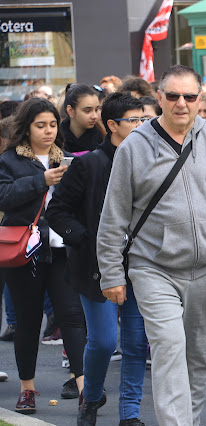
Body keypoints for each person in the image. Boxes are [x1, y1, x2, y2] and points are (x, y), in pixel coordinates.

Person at [96, 65, 206, 425]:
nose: (181, 103)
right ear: (159, 98)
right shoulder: (134, 147)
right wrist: (110, 273)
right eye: (173, 96)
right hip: (153, 267)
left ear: (200, 99)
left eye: (189, 96)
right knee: (169, 349)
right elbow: (113, 217)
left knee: (199, 357)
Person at [47, 92, 148, 426]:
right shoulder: (90, 164)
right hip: (96, 268)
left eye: (145, 120)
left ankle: (129, 413)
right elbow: (57, 211)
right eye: (134, 121)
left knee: (135, 345)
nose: (142, 126)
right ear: (112, 125)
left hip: (142, 267)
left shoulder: (151, 161)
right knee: (104, 341)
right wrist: (87, 240)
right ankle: (90, 397)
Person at [0, 97, 87, 414]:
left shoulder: (66, 159)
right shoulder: (9, 160)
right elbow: (5, 198)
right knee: (27, 321)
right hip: (25, 253)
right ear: (26, 128)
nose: (48, 131)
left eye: (52, 124)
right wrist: (41, 181)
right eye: (41, 125)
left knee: (72, 317)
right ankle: (27, 389)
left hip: (62, 252)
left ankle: (83, 388)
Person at [60, 84, 102, 154]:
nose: (94, 116)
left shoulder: (103, 137)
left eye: (96, 110)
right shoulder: (56, 138)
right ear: (70, 111)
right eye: (87, 111)